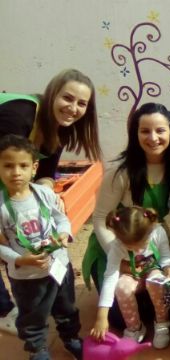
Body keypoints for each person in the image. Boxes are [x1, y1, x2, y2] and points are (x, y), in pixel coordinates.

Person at [0, 69, 101, 334]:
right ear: (52, 94)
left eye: (82, 103)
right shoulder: (19, 117)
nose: (73, 108)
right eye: (68, 98)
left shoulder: (58, 128)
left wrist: (50, 196)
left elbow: (44, 176)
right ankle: (3, 310)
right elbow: (11, 172)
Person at [82, 102, 170, 329]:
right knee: (118, 319)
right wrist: (123, 256)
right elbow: (99, 219)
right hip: (117, 248)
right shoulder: (120, 173)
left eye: (160, 130)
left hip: (153, 247)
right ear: (134, 133)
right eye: (145, 130)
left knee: (168, 306)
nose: (153, 138)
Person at [0, 135, 82, 360]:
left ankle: (71, 338)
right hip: (27, 276)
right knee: (32, 316)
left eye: (23, 165)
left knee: (66, 308)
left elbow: (61, 218)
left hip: (59, 267)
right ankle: (38, 349)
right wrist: (19, 259)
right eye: (8, 165)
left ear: (34, 168)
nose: (16, 172)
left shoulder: (44, 193)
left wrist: (65, 233)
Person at [90, 206, 170, 349]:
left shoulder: (158, 232)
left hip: (153, 271)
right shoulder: (116, 246)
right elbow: (110, 277)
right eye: (131, 248)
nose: (138, 250)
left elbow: (165, 256)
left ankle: (162, 323)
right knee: (121, 287)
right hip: (132, 276)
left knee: (155, 282)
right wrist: (102, 316)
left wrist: (168, 268)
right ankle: (134, 328)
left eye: (141, 245)